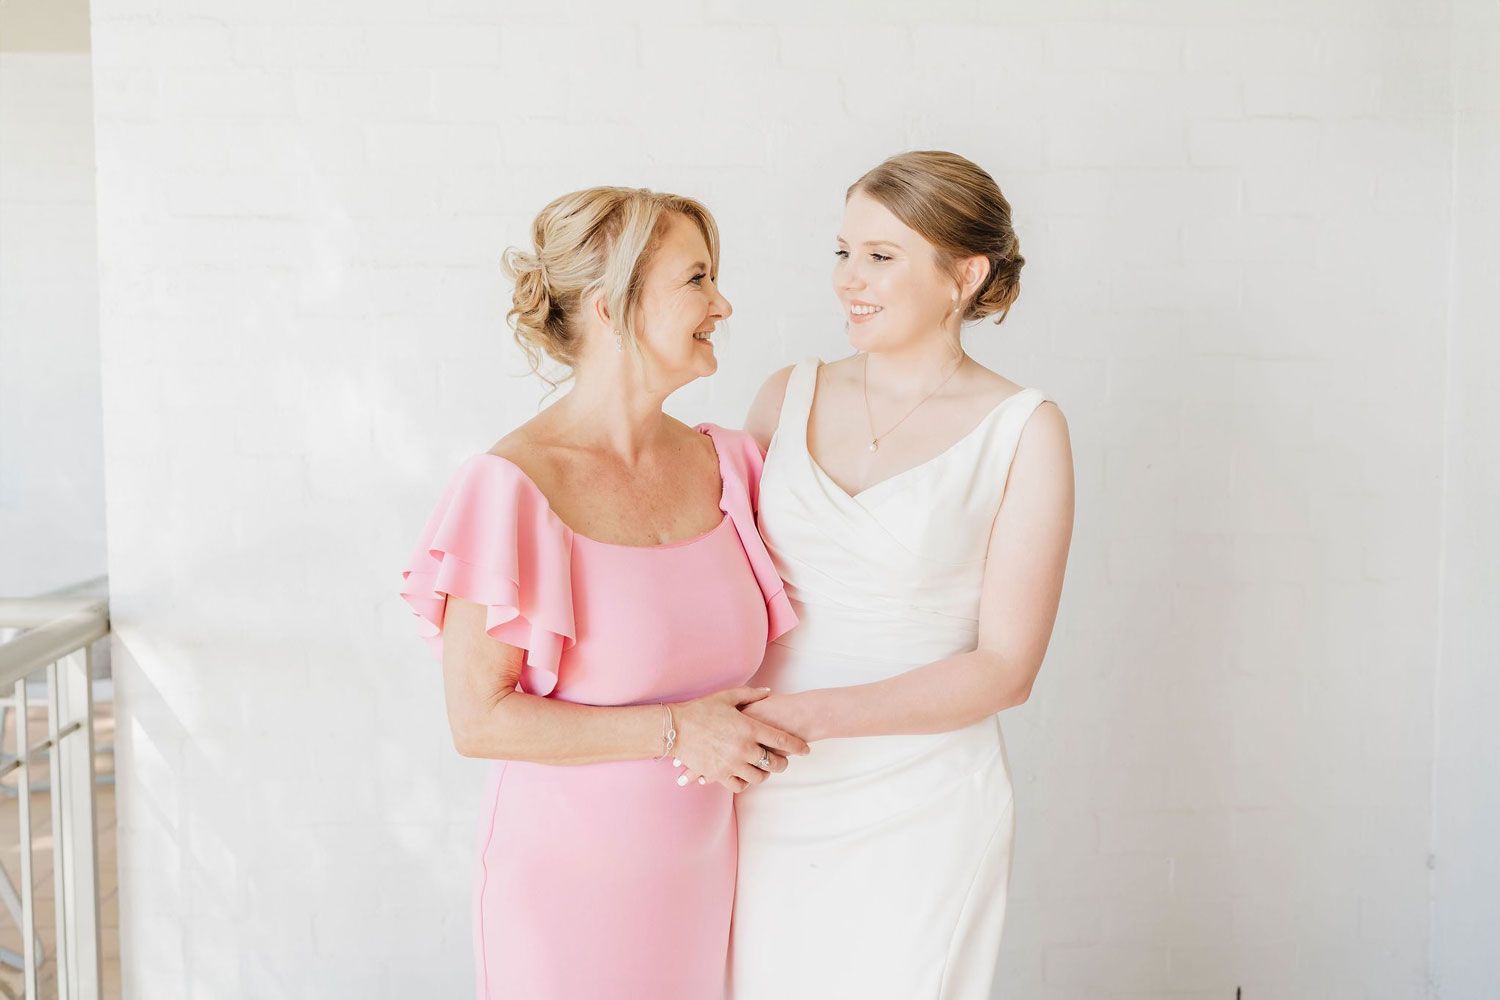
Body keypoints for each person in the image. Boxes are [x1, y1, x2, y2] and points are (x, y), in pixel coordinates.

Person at [397, 186, 805, 999]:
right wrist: (677, 732)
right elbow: (479, 719)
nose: (721, 303)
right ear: (611, 306)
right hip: (563, 895)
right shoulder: (510, 487)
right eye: (696, 279)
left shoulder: (728, 465)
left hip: (707, 880)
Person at [728, 151, 1075, 999]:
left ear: (965, 274)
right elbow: (725, 585)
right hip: (765, 787)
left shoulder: (1024, 430)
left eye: (882, 257)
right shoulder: (786, 395)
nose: (851, 279)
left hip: (922, 801)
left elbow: (1006, 669)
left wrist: (808, 716)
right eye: (843, 252)